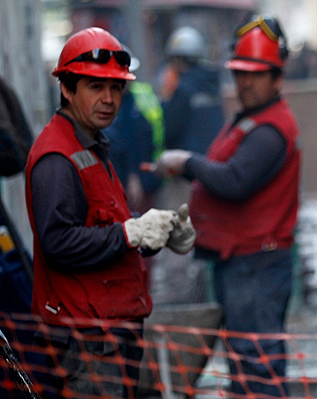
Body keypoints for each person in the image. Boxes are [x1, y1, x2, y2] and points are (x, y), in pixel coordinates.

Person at [24, 27, 196, 399]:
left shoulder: (91, 146)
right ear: (67, 89)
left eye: (116, 88)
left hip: (111, 331)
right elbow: (58, 241)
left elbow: (107, 225)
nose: (109, 99)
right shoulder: (56, 158)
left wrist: (157, 233)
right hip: (86, 339)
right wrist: (130, 234)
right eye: (95, 87)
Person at [152, 16, 299, 398]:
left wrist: (187, 162)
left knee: (257, 365)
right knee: (245, 364)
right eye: (240, 73)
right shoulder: (251, 120)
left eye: (255, 74)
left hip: (257, 266)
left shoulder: (270, 129)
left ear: (276, 76)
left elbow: (235, 181)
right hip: (241, 263)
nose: (244, 82)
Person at [159, 26, 225, 211]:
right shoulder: (213, 86)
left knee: (180, 227)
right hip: (212, 170)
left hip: (186, 172)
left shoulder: (183, 90)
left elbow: (170, 131)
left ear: (180, 59)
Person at [104, 47, 164, 214]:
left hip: (143, 176)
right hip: (120, 179)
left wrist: (135, 176)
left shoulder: (132, 100)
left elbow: (139, 138)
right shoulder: (112, 104)